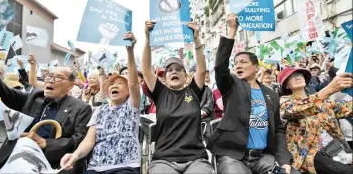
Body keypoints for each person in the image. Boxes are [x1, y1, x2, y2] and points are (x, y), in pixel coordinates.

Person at [207, 13, 293, 174]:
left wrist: (284, 160)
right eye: (235, 63)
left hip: (263, 157)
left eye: (243, 62)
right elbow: (220, 67)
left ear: (256, 68)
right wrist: (232, 30)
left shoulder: (271, 94)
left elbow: (279, 129)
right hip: (233, 155)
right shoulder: (232, 86)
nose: (238, 65)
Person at [0, 37, 92, 173]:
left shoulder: (81, 108)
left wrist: (46, 143)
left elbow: (78, 140)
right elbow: (4, 94)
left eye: (58, 77)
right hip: (16, 157)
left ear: (70, 86)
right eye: (49, 76)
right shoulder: (34, 96)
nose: (50, 80)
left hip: (50, 163)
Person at [60, 32, 141, 174]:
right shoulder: (99, 111)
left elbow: (134, 84)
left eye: (120, 83)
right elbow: (89, 141)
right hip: (95, 168)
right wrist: (76, 155)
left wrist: (130, 51)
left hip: (125, 167)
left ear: (128, 91)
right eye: (111, 84)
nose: (114, 86)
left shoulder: (131, 106)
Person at [142, 21, 213, 174]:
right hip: (163, 160)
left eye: (178, 69)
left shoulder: (194, 91)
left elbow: (201, 69)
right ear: (165, 78)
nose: (174, 72)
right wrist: (148, 39)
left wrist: (196, 38)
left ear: (186, 75)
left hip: (196, 160)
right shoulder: (160, 93)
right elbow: (146, 69)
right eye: (169, 70)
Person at [278, 67, 353, 174]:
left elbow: (346, 109)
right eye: (291, 77)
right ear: (286, 85)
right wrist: (330, 89)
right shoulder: (285, 102)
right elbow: (297, 109)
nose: (297, 77)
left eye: (299, 74)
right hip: (311, 156)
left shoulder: (324, 101)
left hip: (336, 150)